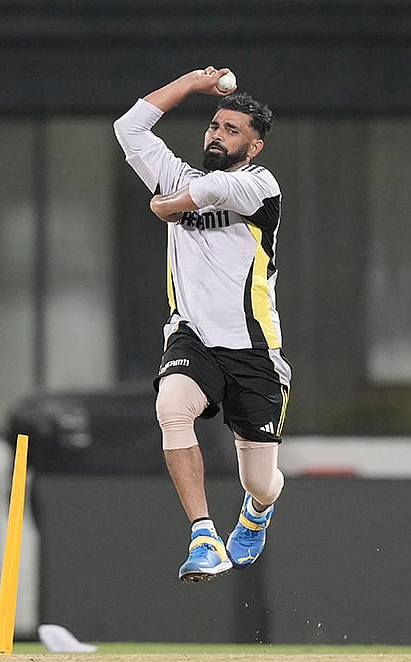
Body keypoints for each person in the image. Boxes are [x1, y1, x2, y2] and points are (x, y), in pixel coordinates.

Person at [113, 67, 292, 582]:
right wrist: (191, 84)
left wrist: (163, 204)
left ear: (253, 147)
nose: (217, 134)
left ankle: (255, 514)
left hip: (254, 348)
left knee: (260, 481)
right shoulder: (181, 174)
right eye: (215, 125)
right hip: (193, 337)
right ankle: (204, 535)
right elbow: (130, 129)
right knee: (171, 407)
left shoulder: (260, 184)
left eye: (232, 130)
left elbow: (201, 196)